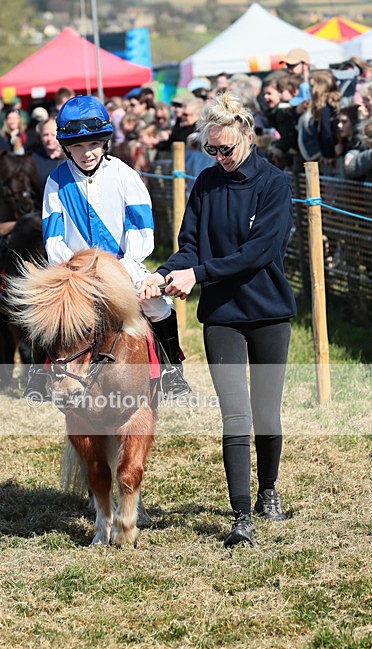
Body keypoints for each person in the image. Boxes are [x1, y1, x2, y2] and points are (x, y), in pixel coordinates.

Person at [139, 91, 296, 548]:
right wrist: (164, 273)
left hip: (269, 311)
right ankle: (241, 515)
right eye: (211, 149)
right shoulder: (206, 183)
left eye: (226, 148)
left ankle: (268, 490)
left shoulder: (275, 183)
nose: (220, 157)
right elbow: (189, 245)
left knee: (266, 412)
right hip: (222, 315)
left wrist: (199, 274)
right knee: (236, 413)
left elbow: (259, 252)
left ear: (247, 135)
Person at [27, 94, 190, 399]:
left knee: (158, 306)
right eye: (77, 146)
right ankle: (38, 373)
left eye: (93, 144)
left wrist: (124, 264)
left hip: (122, 264)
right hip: (73, 271)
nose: (86, 153)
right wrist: (75, 269)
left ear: (105, 142)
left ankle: (172, 371)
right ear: (66, 147)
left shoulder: (125, 175)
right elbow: (53, 236)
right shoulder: (56, 181)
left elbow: (141, 229)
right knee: (45, 307)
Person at [30, 117, 66, 191]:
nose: (49, 139)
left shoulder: (70, 158)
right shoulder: (33, 159)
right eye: (45, 135)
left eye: (53, 135)